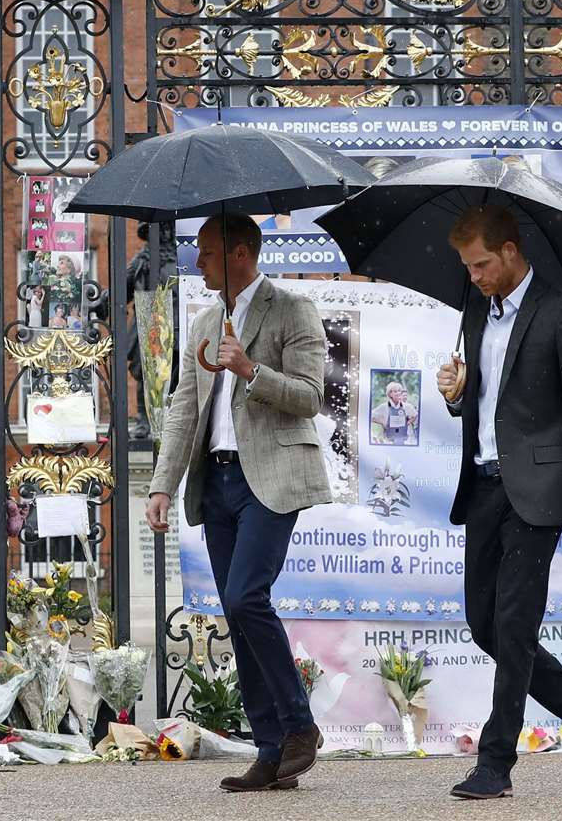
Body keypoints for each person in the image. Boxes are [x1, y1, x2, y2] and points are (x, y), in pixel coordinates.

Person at [433, 204, 562, 800]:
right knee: (482, 624)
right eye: (467, 266)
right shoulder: (473, 312)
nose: (474, 275)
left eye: (481, 263)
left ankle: (496, 762)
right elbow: (484, 405)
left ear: (511, 251)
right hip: (484, 485)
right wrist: (457, 396)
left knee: (513, 626)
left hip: (537, 494)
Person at [147, 213, 329, 794]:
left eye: (206, 252)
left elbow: (310, 397)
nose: (197, 261)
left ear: (241, 253)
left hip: (270, 478)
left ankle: (299, 727)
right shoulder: (203, 318)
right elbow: (183, 408)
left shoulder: (291, 309)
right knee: (235, 609)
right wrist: (160, 484)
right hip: (217, 482)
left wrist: (250, 369)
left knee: (248, 596)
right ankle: (273, 750)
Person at [368, 380, 419, 445]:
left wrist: (408, 422)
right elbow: (370, 415)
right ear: (390, 394)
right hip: (389, 441)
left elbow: (415, 415)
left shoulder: (407, 406)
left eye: (399, 391)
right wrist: (382, 422)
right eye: (395, 391)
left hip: (405, 440)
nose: (398, 393)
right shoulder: (384, 407)